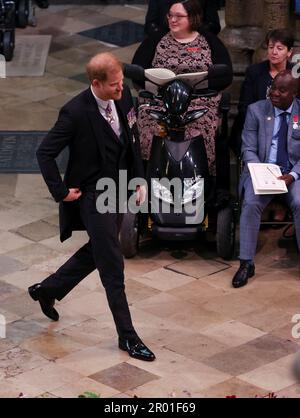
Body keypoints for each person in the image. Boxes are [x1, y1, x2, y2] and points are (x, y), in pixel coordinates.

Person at [28, 52, 155, 362]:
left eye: (122, 82)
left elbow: (134, 141)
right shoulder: (74, 112)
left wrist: (139, 180)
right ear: (96, 84)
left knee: (100, 249)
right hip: (91, 194)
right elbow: (44, 153)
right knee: (113, 264)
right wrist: (60, 192)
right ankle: (128, 336)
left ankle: (48, 289)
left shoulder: (125, 100)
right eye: (114, 85)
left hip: (118, 189)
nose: (121, 89)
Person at [132, 0, 232, 190]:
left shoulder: (209, 40)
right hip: (160, 100)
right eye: (170, 15)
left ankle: (199, 177)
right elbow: (138, 71)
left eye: (179, 16)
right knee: (148, 122)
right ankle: (150, 178)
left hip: (198, 100)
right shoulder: (156, 39)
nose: (173, 19)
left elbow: (225, 74)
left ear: (192, 18)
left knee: (201, 124)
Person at [232, 70, 300, 288]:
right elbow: (248, 148)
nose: (274, 93)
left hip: (292, 174)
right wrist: (261, 173)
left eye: (282, 90)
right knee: (251, 203)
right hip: (260, 172)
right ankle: (246, 263)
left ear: (295, 93)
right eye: (273, 87)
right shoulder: (256, 110)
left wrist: (292, 175)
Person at [230, 29, 295, 157]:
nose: (274, 52)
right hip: (258, 125)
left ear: (289, 52)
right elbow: (244, 106)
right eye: (271, 47)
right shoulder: (254, 72)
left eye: (280, 48)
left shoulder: (295, 74)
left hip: (289, 124)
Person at [144, 0, 221, 36]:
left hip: (196, 43)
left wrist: (191, 36)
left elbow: (214, 26)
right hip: (163, 40)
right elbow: (150, 25)